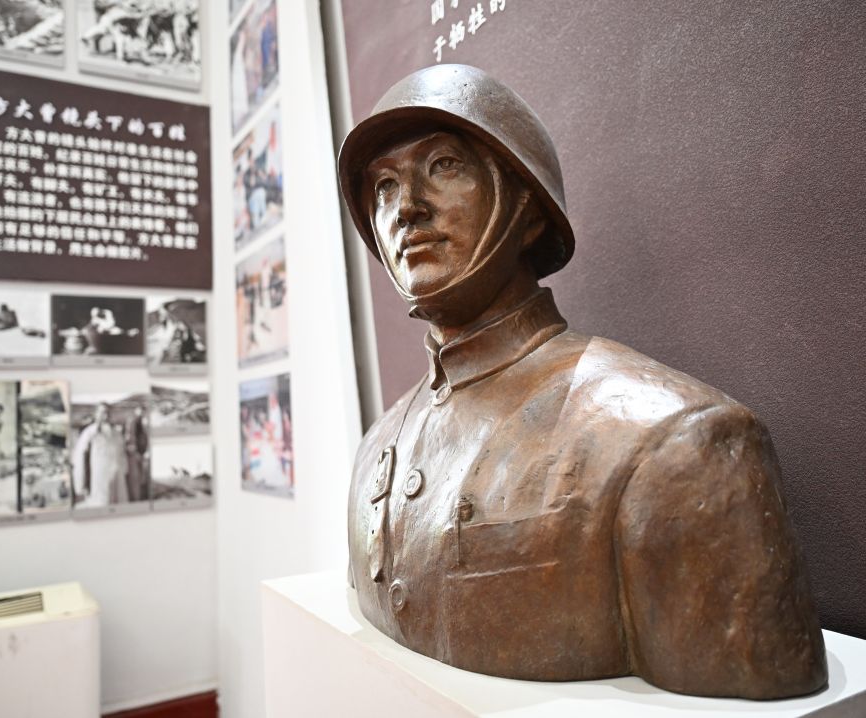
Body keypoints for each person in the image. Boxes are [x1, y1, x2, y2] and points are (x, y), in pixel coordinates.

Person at [338, 65, 827, 699]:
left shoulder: (676, 443)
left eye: (444, 166)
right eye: (383, 186)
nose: (407, 207)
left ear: (527, 211)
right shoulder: (375, 447)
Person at [72, 402, 128, 506]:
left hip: (116, 472)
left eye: (107, 413)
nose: (105, 416)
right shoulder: (89, 432)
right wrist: (82, 482)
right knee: (101, 501)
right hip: (99, 473)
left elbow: (121, 452)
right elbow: (80, 455)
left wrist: (123, 468)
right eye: (102, 413)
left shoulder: (116, 432)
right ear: (96, 414)